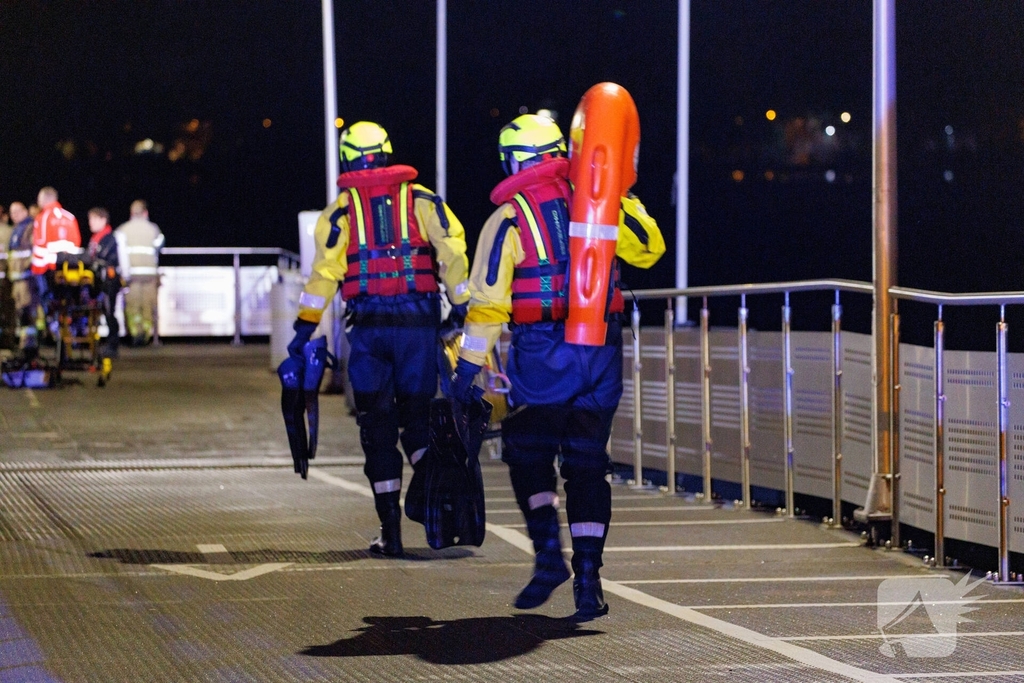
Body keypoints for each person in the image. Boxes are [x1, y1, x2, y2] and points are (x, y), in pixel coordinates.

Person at [447, 114, 665, 620]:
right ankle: (589, 579)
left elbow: (488, 306)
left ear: (515, 160)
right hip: (601, 352)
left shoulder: (508, 219)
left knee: (528, 454)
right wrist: (615, 195)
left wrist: (466, 371)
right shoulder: (601, 198)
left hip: (544, 352)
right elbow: (650, 249)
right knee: (589, 465)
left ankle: (549, 558)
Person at [283, 121, 470, 556]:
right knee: (418, 420)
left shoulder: (340, 213)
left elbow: (324, 275)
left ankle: (391, 532)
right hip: (417, 328)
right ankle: (433, 505)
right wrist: (462, 308)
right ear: (387, 153)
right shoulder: (424, 201)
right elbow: (453, 254)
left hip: (368, 331)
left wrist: (303, 330)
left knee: (377, 427)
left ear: (348, 159)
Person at [115, 199, 164, 345]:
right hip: (149, 275)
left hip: (131, 276)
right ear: (146, 213)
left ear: (131, 213)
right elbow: (159, 245)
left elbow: (118, 250)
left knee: (132, 306)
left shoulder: (123, 229)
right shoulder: (153, 229)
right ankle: (146, 334)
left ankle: (135, 334)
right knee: (149, 306)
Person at [87, 207, 123, 359]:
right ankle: (103, 344)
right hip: (99, 281)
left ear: (103, 220)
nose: (90, 223)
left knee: (109, 312)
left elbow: (107, 259)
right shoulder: (96, 239)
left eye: (94, 219)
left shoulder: (109, 238)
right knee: (102, 312)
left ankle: (113, 345)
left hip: (109, 281)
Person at [7, 202, 39, 356]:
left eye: (18, 211)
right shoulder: (16, 229)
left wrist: (27, 269)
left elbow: (34, 251)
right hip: (17, 280)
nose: (14, 215)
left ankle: (30, 347)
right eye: (12, 212)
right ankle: (23, 345)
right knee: (20, 312)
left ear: (25, 211)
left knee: (28, 312)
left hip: (27, 279)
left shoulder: (30, 227)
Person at [31, 186, 81, 276]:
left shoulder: (42, 217)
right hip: (70, 267)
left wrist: (37, 271)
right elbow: (77, 242)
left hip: (49, 269)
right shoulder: (70, 217)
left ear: (44, 199)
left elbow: (40, 244)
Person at [0, 206, 13, 349]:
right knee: (7, 312)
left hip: (5, 279)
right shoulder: (10, 231)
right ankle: (7, 342)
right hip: (7, 280)